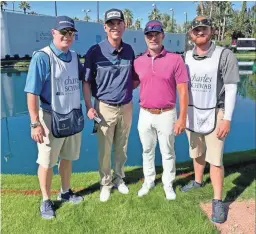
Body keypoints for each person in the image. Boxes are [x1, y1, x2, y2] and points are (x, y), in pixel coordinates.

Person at [181, 16, 240, 223]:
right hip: (192, 113)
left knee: (215, 159)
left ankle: (217, 200)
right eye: (196, 30)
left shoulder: (225, 55)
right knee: (196, 151)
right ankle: (197, 181)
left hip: (216, 113)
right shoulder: (186, 56)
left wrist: (227, 119)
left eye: (204, 29)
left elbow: (232, 88)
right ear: (191, 34)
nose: (200, 32)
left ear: (211, 31)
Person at [24, 16, 84, 219]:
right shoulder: (42, 57)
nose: (67, 36)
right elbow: (31, 92)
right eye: (63, 32)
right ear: (53, 33)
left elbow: (86, 80)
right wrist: (35, 123)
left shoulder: (75, 57)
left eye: (70, 33)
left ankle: (65, 192)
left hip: (72, 115)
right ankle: (45, 200)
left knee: (67, 158)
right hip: (50, 118)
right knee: (47, 161)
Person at [82, 8, 138, 202]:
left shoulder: (129, 50)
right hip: (104, 107)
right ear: (105, 27)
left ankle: (119, 178)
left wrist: (126, 92)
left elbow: (135, 79)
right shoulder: (95, 51)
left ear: (124, 26)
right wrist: (89, 105)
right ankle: (105, 183)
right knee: (105, 149)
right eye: (111, 24)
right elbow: (87, 82)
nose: (115, 27)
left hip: (126, 106)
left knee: (122, 147)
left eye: (118, 23)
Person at [134, 20, 189, 200]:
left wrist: (182, 118)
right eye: (149, 35)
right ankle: (148, 181)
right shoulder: (138, 61)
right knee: (147, 150)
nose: (153, 38)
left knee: (167, 152)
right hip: (144, 114)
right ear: (145, 38)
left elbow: (182, 91)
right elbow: (131, 84)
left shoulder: (175, 59)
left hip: (167, 113)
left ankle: (168, 184)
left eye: (156, 34)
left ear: (162, 36)